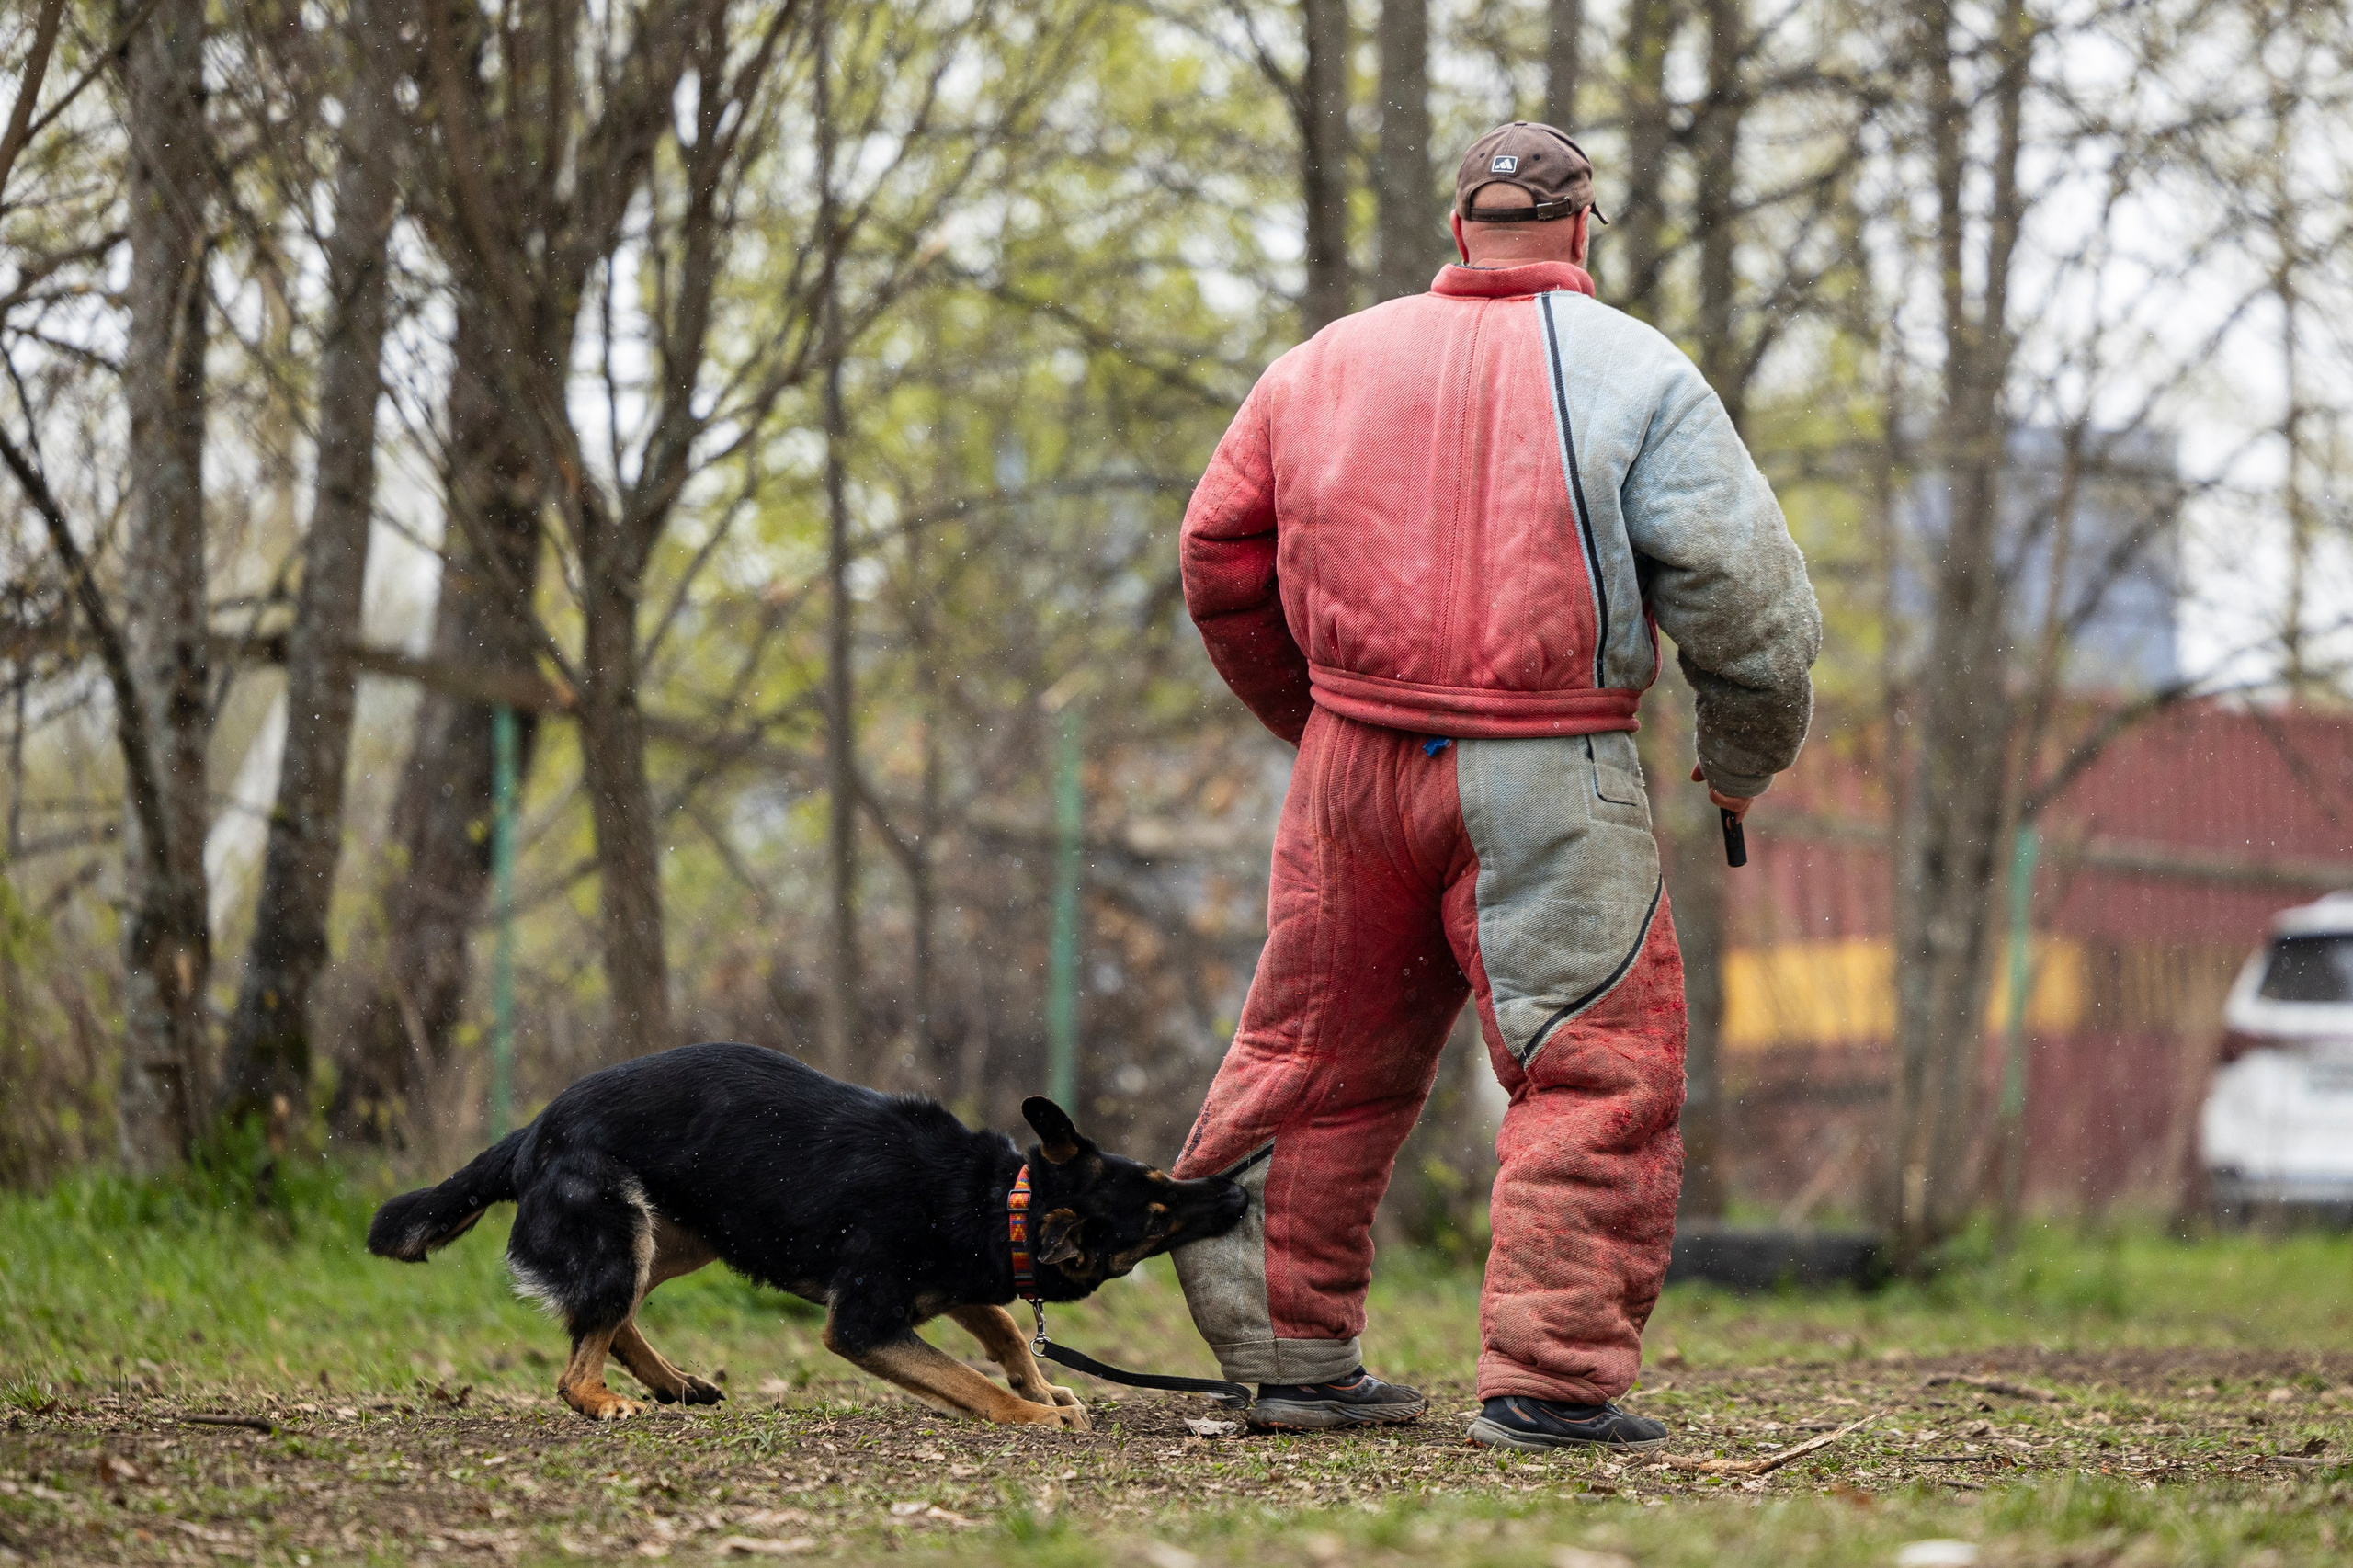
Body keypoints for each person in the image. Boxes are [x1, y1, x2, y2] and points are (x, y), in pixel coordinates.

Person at [1166, 123, 1821, 1448]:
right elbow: (1754, 618)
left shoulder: (1320, 366)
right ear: (1584, 230)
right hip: (1552, 765)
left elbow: (1216, 556)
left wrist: (1317, 719)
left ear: (1460, 226)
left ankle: (1286, 1358)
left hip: (1353, 768)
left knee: (1312, 1058)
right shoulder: (1640, 373)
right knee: (1592, 1067)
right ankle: (1548, 1378)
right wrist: (1738, 763)